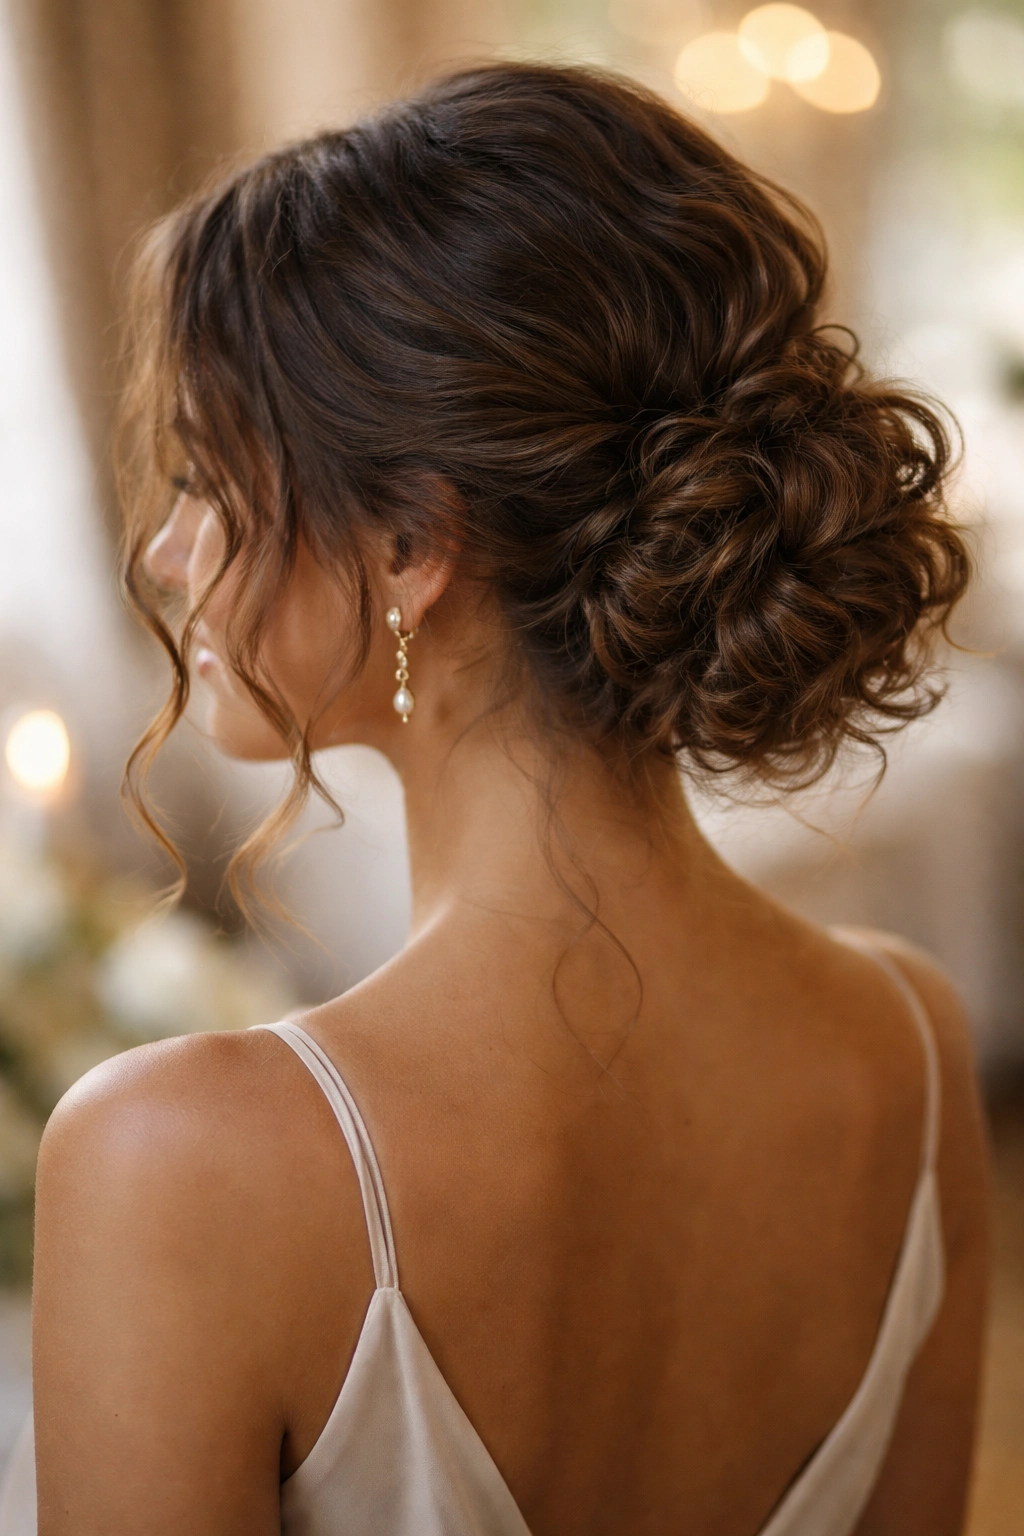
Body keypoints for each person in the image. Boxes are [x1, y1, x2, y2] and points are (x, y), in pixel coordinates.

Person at [16, 63, 989, 1536]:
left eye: (210, 477)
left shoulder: (173, 1162)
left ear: (414, 538)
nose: (165, 551)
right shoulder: (908, 1053)